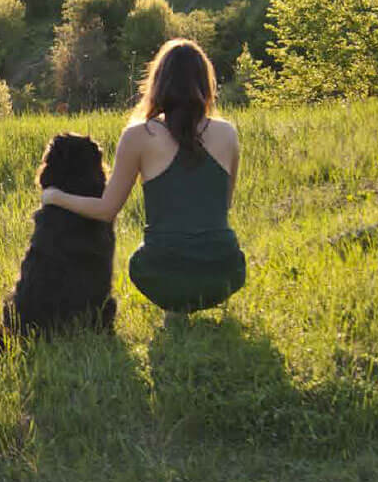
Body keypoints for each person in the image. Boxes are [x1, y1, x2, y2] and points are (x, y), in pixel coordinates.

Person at [40, 39, 246, 327]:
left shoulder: (140, 136)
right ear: (205, 83)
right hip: (226, 272)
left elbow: (106, 209)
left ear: (158, 83)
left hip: (161, 275)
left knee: (140, 262)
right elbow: (223, 204)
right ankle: (193, 302)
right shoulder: (228, 134)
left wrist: (55, 197)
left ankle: (176, 308)